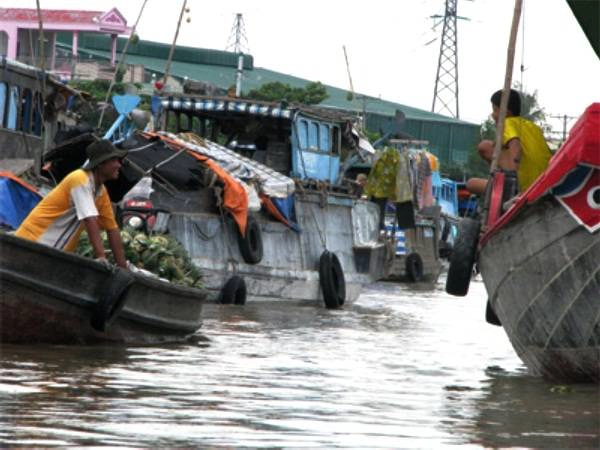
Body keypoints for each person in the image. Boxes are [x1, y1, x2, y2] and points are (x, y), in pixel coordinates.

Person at [16, 139, 128, 269]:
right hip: (33, 244)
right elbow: (89, 219)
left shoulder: (101, 192)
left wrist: (123, 267)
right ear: (101, 164)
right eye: (114, 160)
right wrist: (101, 257)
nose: (119, 165)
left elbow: (112, 229)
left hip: (52, 254)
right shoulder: (80, 179)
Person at [466, 88, 552, 196]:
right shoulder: (533, 127)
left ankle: (509, 185)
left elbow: (515, 145)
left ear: (505, 113)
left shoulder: (507, 123)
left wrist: (512, 175)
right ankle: (504, 181)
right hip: (544, 182)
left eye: (495, 110)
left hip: (522, 187)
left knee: (471, 182)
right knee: (493, 146)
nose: (492, 115)